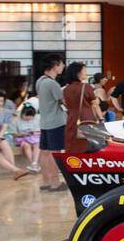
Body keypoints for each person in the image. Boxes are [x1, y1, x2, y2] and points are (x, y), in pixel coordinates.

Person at [34, 56, 67, 192]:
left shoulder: (40, 81)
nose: (63, 66)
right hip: (56, 122)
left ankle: (46, 182)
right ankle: (55, 183)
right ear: (55, 65)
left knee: (45, 152)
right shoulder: (53, 84)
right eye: (61, 64)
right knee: (55, 153)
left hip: (45, 122)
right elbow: (63, 102)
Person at [63, 61, 103, 155]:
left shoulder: (66, 89)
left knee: (73, 146)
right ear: (78, 73)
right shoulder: (86, 86)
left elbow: (66, 105)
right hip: (86, 119)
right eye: (84, 70)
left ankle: (74, 166)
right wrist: (101, 118)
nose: (86, 73)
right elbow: (95, 104)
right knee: (89, 146)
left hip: (72, 120)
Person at [11, 103, 41, 170]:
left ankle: (34, 163)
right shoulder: (15, 120)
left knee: (38, 144)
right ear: (22, 113)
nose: (29, 118)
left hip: (34, 138)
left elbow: (41, 131)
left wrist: (35, 133)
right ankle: (32, 163)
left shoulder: (37, 118)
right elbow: (14, 134)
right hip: (21, 138)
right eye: (26, 116)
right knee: (26, 146)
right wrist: (24, 134)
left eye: (31, 116)